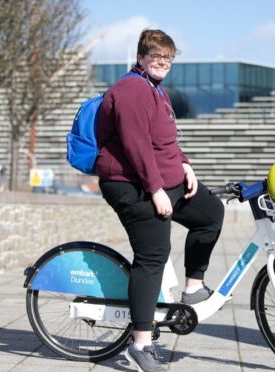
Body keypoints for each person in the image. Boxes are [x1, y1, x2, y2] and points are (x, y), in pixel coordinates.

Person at [96, 29, 224, 371]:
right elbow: (136, 145)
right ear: (140, 57)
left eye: (168, 58)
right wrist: (154, 191)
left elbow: (165, 140)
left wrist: (185, 164)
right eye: (156, 56)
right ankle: (140, 345)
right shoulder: (131, 89)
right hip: (129, 184)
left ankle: (193, 288)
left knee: (210, 213)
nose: (163, 63)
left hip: (162, 179)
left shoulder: (157, 90)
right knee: (153, 255)